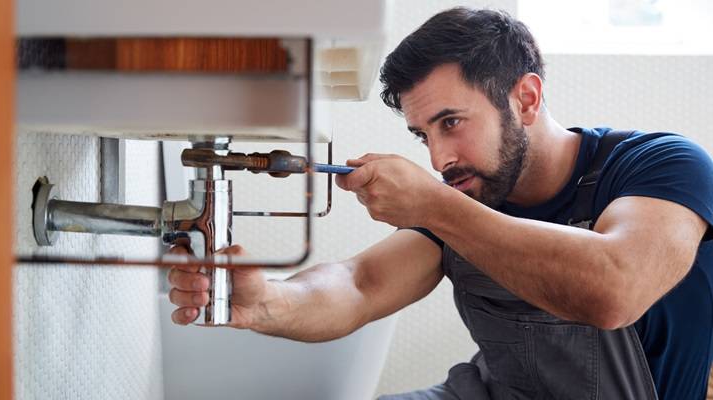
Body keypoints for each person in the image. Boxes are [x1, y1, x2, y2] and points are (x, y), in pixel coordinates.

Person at [167, 7, 713, 400]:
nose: (439, 159)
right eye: (422, 135)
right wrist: (265, 301)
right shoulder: (467, 195)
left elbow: (614, 288)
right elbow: (360, 284)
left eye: (451, 123)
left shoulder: (661, 166)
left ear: (525, 98)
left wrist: (432, 206)